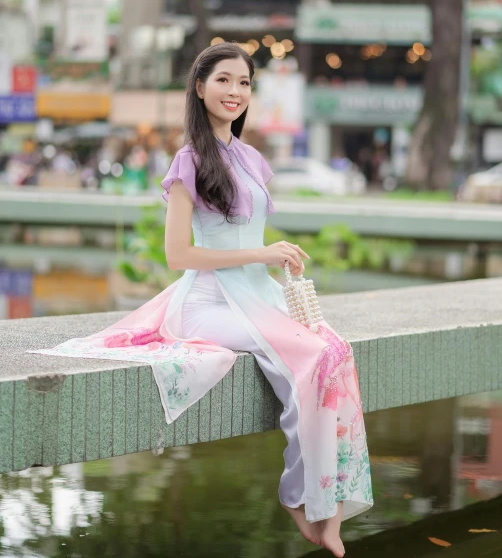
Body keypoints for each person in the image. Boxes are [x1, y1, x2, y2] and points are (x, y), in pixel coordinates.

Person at [28, 43, 372, 557]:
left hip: (257, 295)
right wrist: (265, 250)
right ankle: (303, 499)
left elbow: (245, 235)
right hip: (208, 304)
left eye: (244, 83)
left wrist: (274, 259)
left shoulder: (251, 157)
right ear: (200, 87)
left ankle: (328, 498)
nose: (235, 91)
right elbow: (177, 254)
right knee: (314, 355)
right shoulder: (188, 160)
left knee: (335, 350)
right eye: (224, 81)